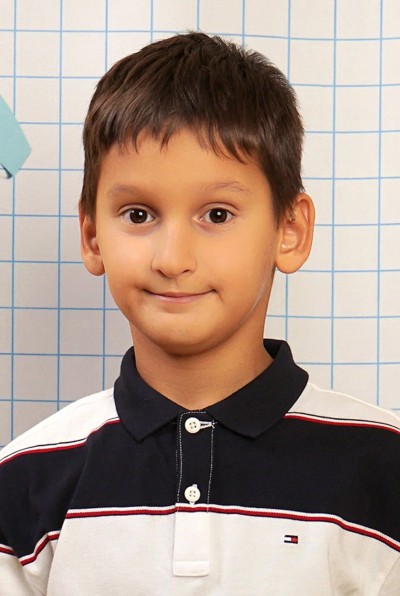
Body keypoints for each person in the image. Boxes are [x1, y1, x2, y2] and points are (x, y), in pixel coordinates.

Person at [0, 32, 399, 595]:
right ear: (92, 235)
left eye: (216, 214)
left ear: (289, 230)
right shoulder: (25, 478)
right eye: (138, 214)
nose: (172, 259)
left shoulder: (382, 467)